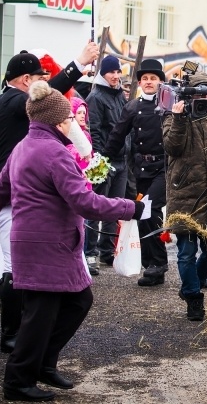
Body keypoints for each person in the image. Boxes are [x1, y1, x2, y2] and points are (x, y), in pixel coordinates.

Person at [0, 80, 144, 402]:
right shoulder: (55, 153)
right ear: (58, 121)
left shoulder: (25, 147)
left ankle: (43, 363)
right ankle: (18, 380)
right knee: (39, 315)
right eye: (69, 119)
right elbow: (86, 202)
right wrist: (131, 207)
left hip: (45, 245)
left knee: (78, 301)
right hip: (46, 246)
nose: (73, 123)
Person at [0, 43, 98, 354]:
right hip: (11, 197)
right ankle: (11, 335)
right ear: (26, 81)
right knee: (14, 270)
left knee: (25, 269)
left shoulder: (9, 103)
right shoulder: (9, 102)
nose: (43, 86)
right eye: (39, 79)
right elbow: (49, 98)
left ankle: (23, 332)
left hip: (21, 195)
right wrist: (78, 63)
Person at [104, 59, 168, 287]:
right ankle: (153, 264)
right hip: (141, 170)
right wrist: (101, 160)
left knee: (148, 209)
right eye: (145, 79)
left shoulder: (170, 105)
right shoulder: (132, 107)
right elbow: (117, 136)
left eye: (153, 78)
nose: (149, 82)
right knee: (144, 215)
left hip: (165, 168)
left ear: (161, 82)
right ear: (140, 82)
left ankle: (157, 264)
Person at [163, 73, 207, 322]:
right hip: (184, 195)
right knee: (186, 252)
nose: (204, 98)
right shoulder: (175, 116)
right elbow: (171, 147)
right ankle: (193, 297)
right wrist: (179, 119)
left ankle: (190, 285)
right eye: (199, 93)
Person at [85, 55, 129, 269]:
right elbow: (94, 129)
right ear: (103, 73)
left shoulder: (120, 95)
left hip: (122, 160)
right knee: (95, 208)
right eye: (111, 72)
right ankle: (90, 253)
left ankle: (107, 250)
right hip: (103, 160)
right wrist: (100, 158)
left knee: (115, 207)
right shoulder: (96, 96)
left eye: (117, 72)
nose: (115, 76)